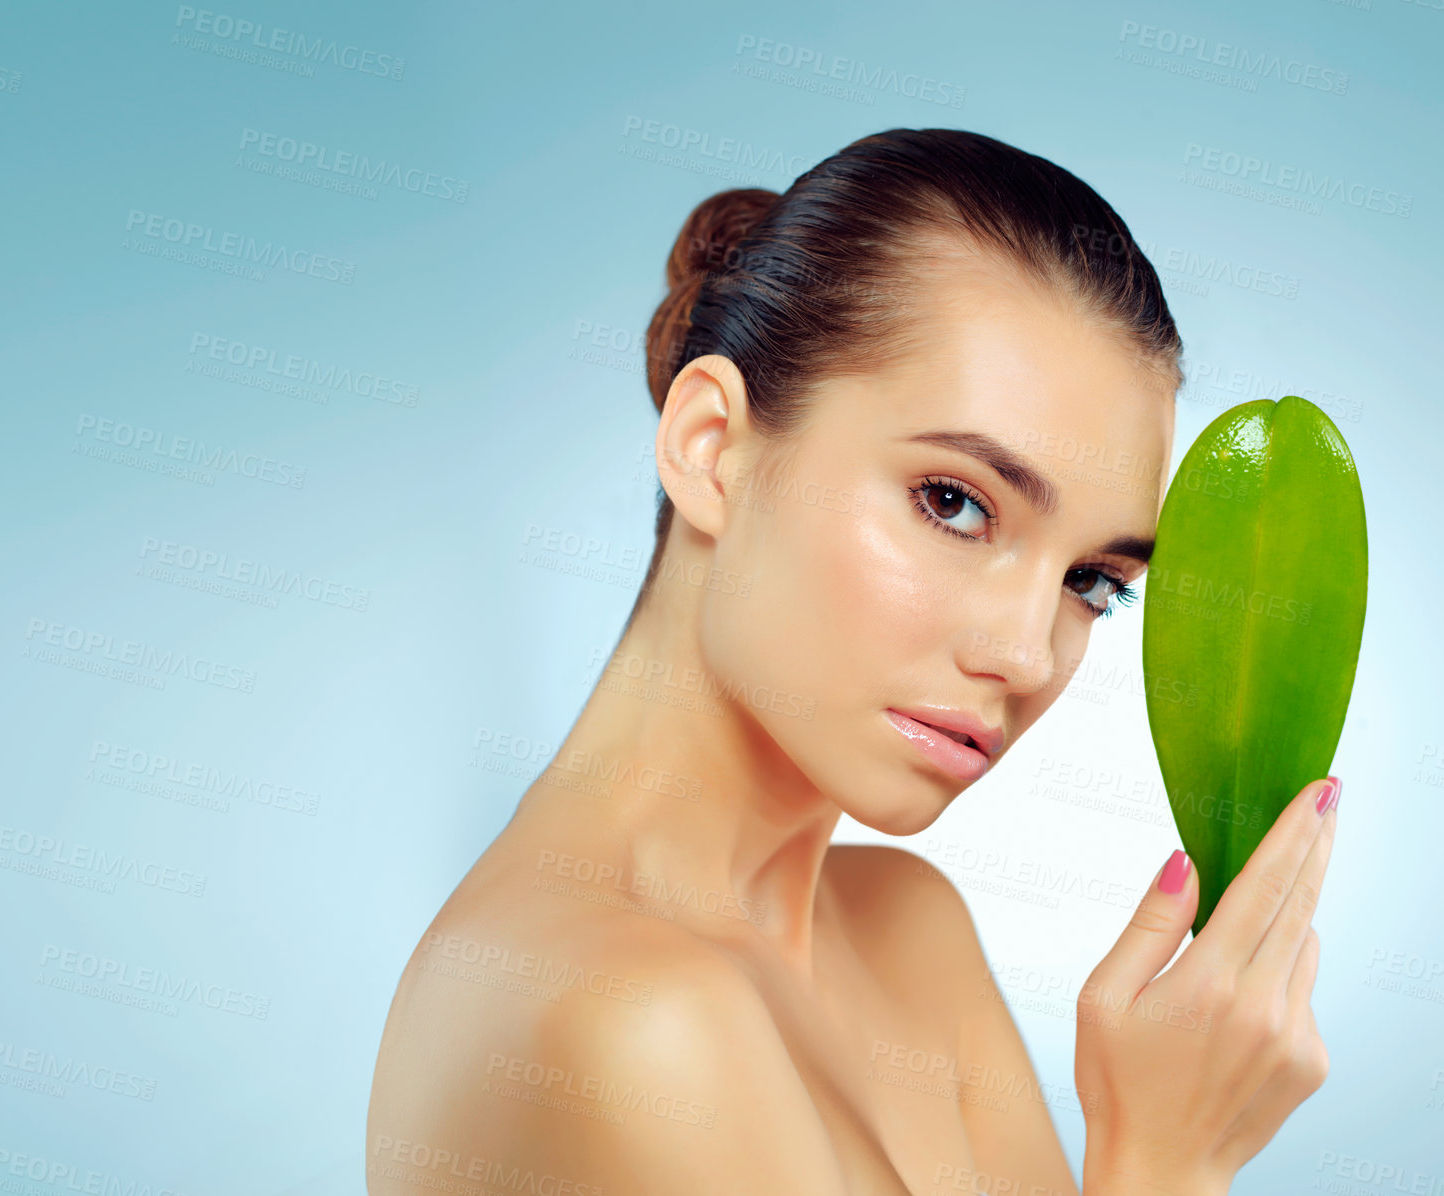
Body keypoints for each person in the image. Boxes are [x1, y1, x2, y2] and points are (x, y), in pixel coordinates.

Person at [366, 127, 1338, 1196]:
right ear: (710, 446)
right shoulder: (623, 1018)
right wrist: (1163, 1160)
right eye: (953, 502)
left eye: (1090, 582)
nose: (1022, 653)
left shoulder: (904, 929)